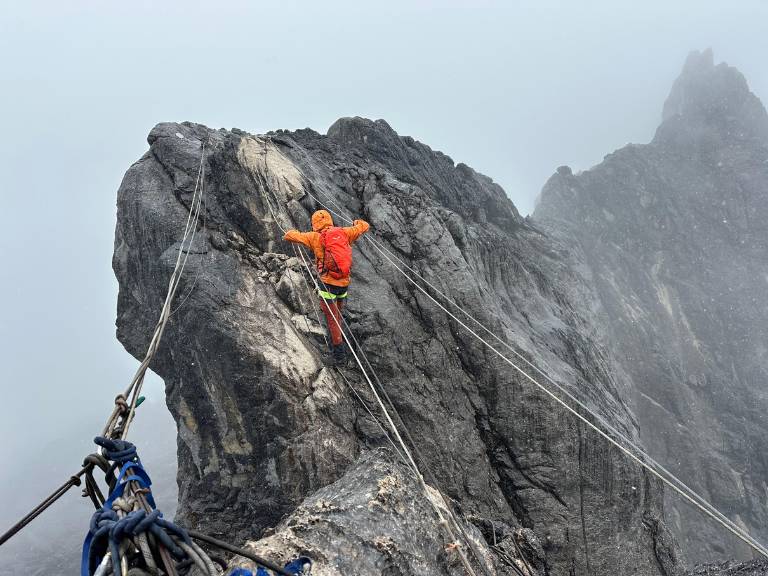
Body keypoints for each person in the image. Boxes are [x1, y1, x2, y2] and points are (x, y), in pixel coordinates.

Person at [283, 209, 370, 364]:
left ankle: (339, 357)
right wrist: (357, 223)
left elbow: (289, 236)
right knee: (338, 313)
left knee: (332, 320)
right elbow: (364, 226)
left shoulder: (314, 237)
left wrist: (293, 231)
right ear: (329, 220)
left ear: (315, 223)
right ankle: (343, 342)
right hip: (344, 283)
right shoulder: (344, 232)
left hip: (328, 285)